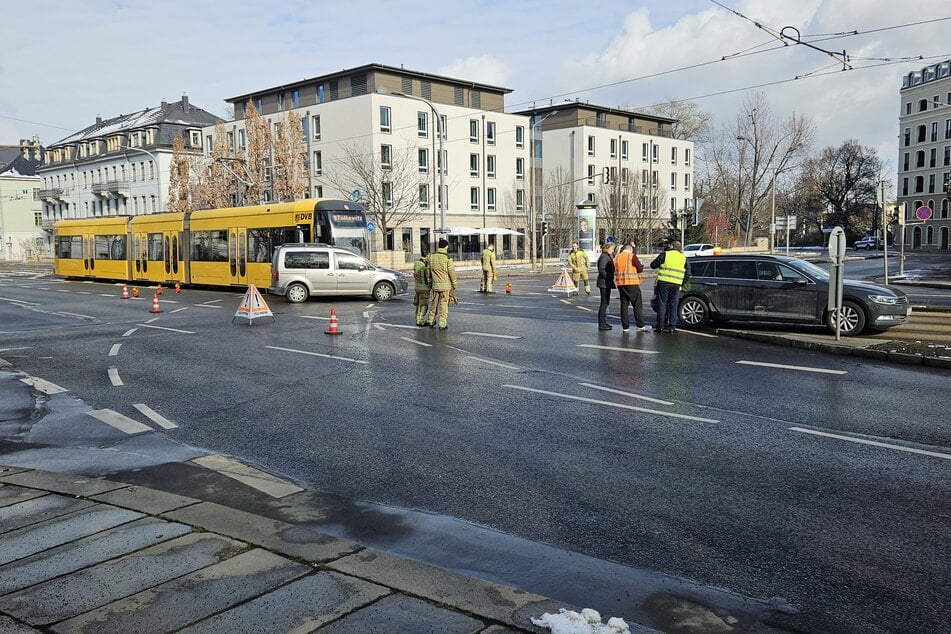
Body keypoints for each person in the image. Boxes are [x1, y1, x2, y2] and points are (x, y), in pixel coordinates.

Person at [650, 239, 690, 333]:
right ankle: (672, 327)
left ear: (672, 246)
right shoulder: (683, 258)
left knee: (662, 304)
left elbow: (653, 265)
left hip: (663, 282)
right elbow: (688, 273)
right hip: (676, 284)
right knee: (673, 305)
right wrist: (682, 282)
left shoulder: (665, 254)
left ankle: (660, 326)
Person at [614, 241, 649, 332]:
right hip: (632, 283)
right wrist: (641, 265)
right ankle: (640, 325)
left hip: (621, 284)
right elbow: (640, 269)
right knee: (637, 305)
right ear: (630, 249)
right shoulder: (631, 256)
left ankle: (625, 327)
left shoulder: (617, 257)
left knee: (624, 305)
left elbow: (614, 269)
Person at [427, 239, 457, 330]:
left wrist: (429, 282)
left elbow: (428, 271)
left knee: (434, 304)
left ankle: (431, 320)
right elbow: (451, 272)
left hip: (435, 285)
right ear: (446, 246)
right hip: (445, 286)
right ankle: (442, 324)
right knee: (444, 305)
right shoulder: (447, 258)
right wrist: (454, 283)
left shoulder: (431, 257)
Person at [596, 242, 616, 330]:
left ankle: (603, 322)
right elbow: (602, 270)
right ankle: (601, 323)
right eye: (612, 249)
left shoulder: (607, 256)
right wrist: (608, 277)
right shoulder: (604, 257)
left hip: (606, 282)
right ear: (607, 248)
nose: (613, 250)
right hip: (604, 282)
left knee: (605, 302)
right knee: (604, 303)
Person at [412, 248, 431, 326]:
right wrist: (430, 285)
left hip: (417, 286)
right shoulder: (425, 264)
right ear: (427, 255)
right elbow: (427, 276)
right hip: (424, 287)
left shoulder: (417, 263)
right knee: (424, 304)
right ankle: (420, 320)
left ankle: (417, 319)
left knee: (418, 304)